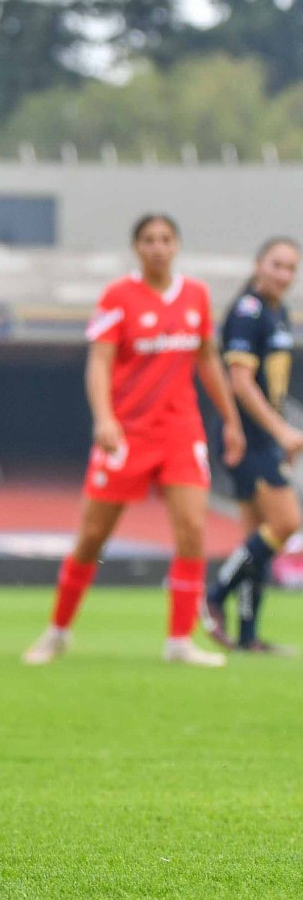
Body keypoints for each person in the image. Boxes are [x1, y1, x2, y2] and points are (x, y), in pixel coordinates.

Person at [23, 214, 245, 668]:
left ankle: (179, 641)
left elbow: (208, 360)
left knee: (193, 530)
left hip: (180, 432)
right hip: (127, 434)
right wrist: (104, 418)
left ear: (177, 245)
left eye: (165, 239)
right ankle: (57, 631)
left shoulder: (197, 296)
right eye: (148, 240)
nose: (157, 247)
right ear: (136, 248)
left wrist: (231, 420)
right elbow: (100, 362)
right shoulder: (118, 297)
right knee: (92, 537)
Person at [204, 236, 300, 653]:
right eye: (276, 264)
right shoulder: (248, 312)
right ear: (258, 264)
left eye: (291, 268)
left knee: (256, 537)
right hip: (248, 438)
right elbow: (240, 383)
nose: (284, 274)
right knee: (287, 523)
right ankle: (213, 595)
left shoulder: (280, 313)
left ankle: (247, 635)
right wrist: (281, 432)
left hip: (263, 437)